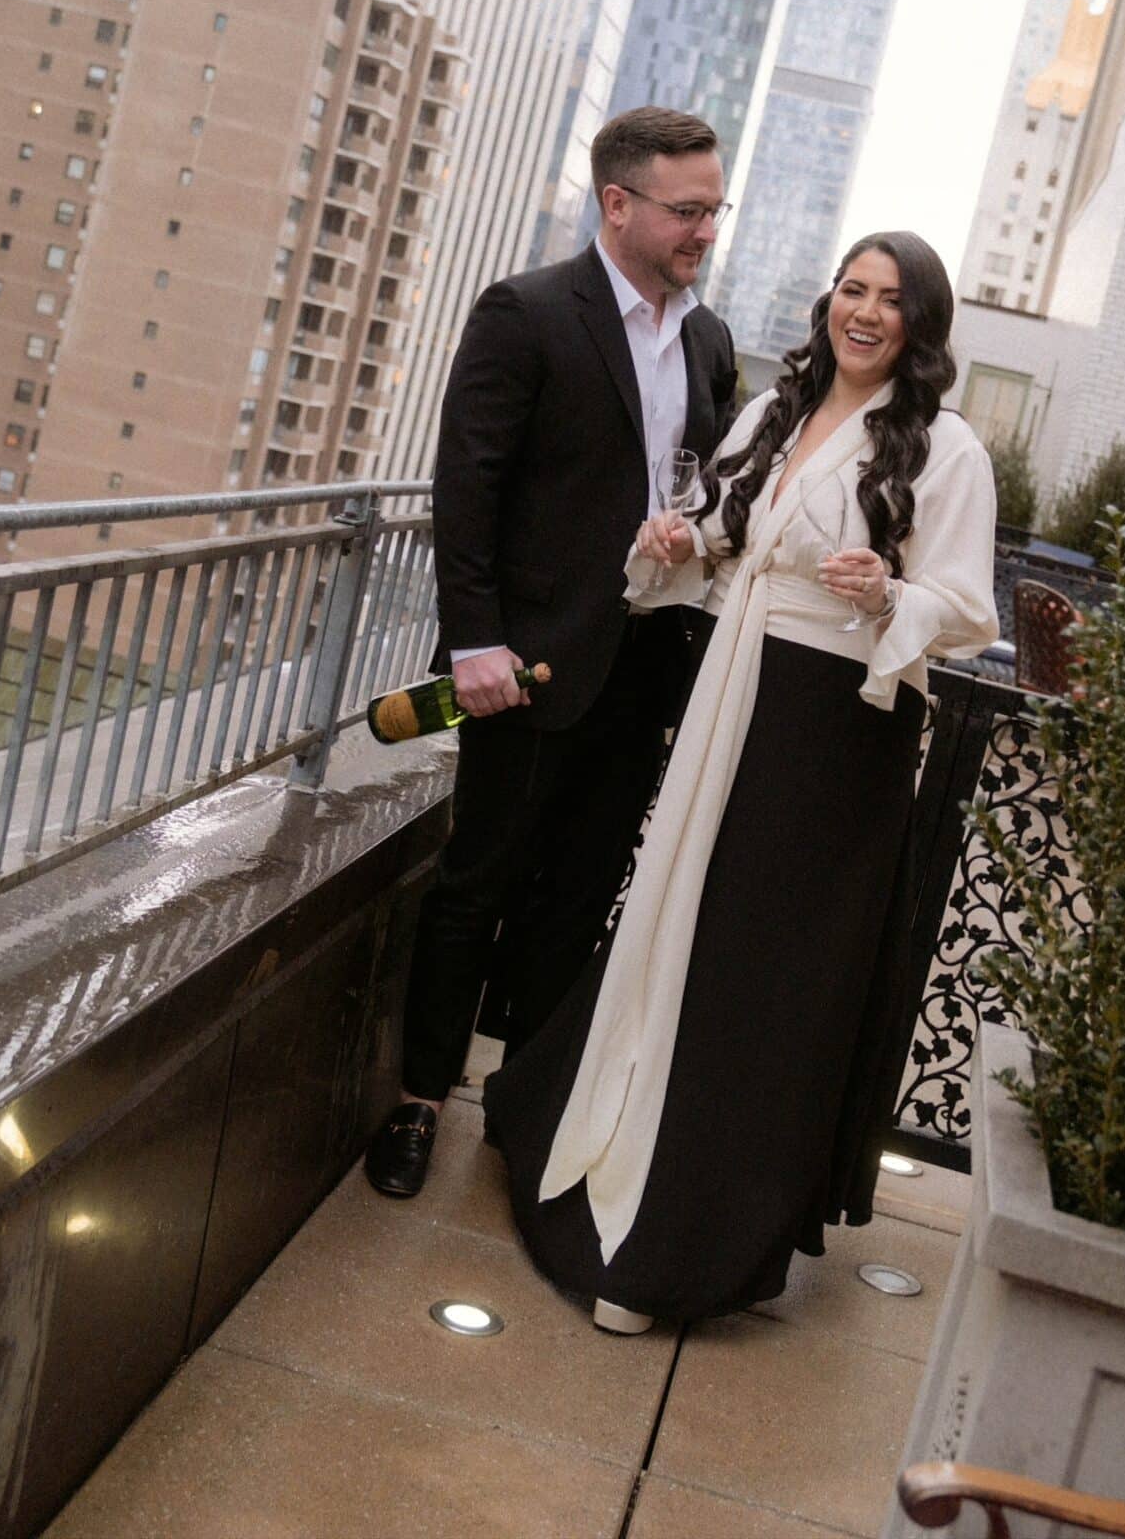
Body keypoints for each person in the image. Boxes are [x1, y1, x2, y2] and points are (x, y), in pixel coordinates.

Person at [483, 231, 998, 1330]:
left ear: (922, 323)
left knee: (758, 969)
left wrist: (884, 593)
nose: (863, 310)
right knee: (678, 922)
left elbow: (965, 607)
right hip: (734, 690)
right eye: (851, 289)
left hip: (833, 730)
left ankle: (689, 1238)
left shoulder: (947, 451)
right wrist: (678, 535)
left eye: (890, 298)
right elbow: (722, 532)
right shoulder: (775, 409)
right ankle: (595, 1139)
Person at [364, 108, 737, 1199]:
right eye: (687, 208)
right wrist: (474, 638)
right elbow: (466, 484)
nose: (704, 228)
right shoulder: (525, 311)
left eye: (715, 208)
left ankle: (522, 1113)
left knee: (577, 902)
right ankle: (420, 1102)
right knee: (475, 885)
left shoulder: (709, 340)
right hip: (522, 670)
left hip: (645, 671)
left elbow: (706, 487)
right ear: (616, 202)